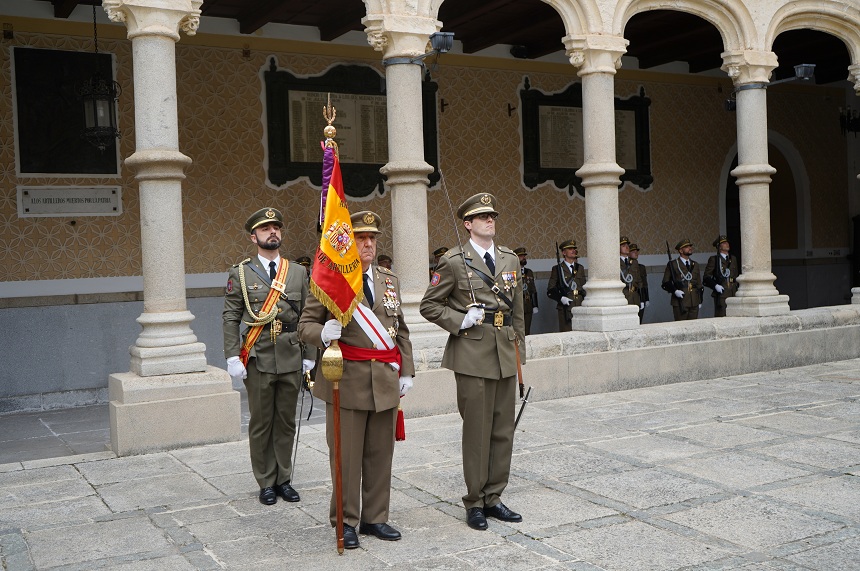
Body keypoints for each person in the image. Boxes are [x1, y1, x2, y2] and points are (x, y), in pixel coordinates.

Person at [299, 210, 414, 550]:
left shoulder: (387, 279)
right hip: (346, 380)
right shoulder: (328, 279)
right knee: (346, 457)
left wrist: (407, 369)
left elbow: (400, 330)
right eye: (361, 238)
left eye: (372, 238)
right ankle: (346, 521)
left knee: (380, 454)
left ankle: (375, 517)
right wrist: (323, 332)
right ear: (348, 243)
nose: (368, 244)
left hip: (385, 380)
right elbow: (304, 326)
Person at [420, 192, 525, 532]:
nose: (489, 220)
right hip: (472, 353)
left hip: (504, 352)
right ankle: (475, 501)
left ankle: (494, 496)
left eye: (492, 215)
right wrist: (460, 319)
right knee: (477, 430)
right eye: (482, 217)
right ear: (468, 224)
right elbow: (429, 305)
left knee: (502, 430)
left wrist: (519, 349)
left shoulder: (510, 259)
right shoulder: (453, 261)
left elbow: (517, 311)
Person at [222, 207, 316, 506]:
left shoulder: (299, 272)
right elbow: (230, 316)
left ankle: (284, 479)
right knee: (262, 422)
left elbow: (308, 315)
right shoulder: (240, 273)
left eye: (276, 228)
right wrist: (231, 356)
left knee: (287, 421)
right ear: (254, 237)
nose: (272, 232)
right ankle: (265, 481)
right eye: (265, 229)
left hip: (291, 355)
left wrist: (310, 355)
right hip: (258, 356)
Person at [547, 239, 586, 332]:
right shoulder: (557, 269)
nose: (573, 251)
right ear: (564, 253)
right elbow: (550, 290)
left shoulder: (580, 268)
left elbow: (584, 287)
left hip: (580, 306)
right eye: (570, 249)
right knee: (567, 333)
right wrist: (561, 298)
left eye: (574, 249)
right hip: (566, 308)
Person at [661, 238, 703, 320]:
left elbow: (699, 284)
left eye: (690, 246)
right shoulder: (673, 264)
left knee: (694, 327)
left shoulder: (695, 264)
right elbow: (665, 282)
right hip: (680, 301)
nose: (690, 248)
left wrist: (700, 299)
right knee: (681, 326)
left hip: (694, 300)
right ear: (680, 250)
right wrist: (675, 291)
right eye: (687, 247)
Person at [703, 235, 739, 317]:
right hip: (722, 293)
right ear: (719, 247)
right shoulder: (714, 259)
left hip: (733, 292)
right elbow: (706, 277)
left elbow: (735, 275)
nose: (727, 244)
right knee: (722, 316)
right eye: (724, 243)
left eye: (727, 242)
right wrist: (715, 286)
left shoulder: (733, 259)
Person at [514, 247, 539, 335]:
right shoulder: (513, 272)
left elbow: (533, 289)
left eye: (524, 256)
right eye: (521, 256)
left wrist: (535, 305)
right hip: (517, 304)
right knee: (518, 331)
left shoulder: (529, 272)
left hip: (528, 304)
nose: (524, 258)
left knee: (527, 330)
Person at [620, 236, 645, 317]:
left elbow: (639, 281)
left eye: (627, 245)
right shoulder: (615, 263)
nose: (627, 247)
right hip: (623, 297)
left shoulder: (634, 262)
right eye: (623, 246)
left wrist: (642, 299)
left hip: (635, 297)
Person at [629, 243, 649, 323]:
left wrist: (646, 298)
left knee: (639, 320)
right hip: (630, 295)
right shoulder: (627, 266)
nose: (636, 253)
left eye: (636, 251)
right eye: (633, 251)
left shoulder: (641, 267)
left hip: (640, 296)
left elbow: (644, 284)